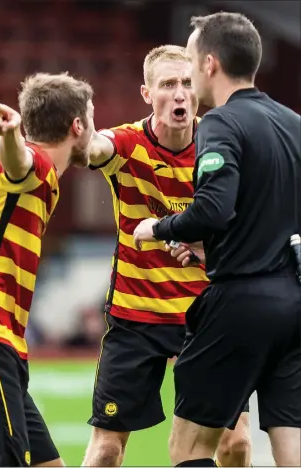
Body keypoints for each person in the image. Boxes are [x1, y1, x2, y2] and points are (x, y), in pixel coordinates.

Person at [133, 12, 301, 468]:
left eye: (189, 59)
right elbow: (255, 215)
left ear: (209, 63)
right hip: (294, 303)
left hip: (240, 302)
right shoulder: (294, 123)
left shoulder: (220, 124)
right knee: (291, 447)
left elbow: (213, 209)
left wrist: (158, 228)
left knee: (189, 448)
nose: (187, 75)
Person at [84, 45, 251, 467]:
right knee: (106, 450)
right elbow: (96, 149)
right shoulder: (127, 143)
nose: (179, 94)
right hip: (136, 316)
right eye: (167, 85)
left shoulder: (223, 144)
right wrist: (83, 135)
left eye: (186, 83)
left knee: (236, 445)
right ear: (146, 93)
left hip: (206, 314)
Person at [0, 72, 94, 467]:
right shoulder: (38, 164)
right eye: (92, 119)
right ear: (77, 126)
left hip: (6, 345)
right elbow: (20, 164)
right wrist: (11, 136)